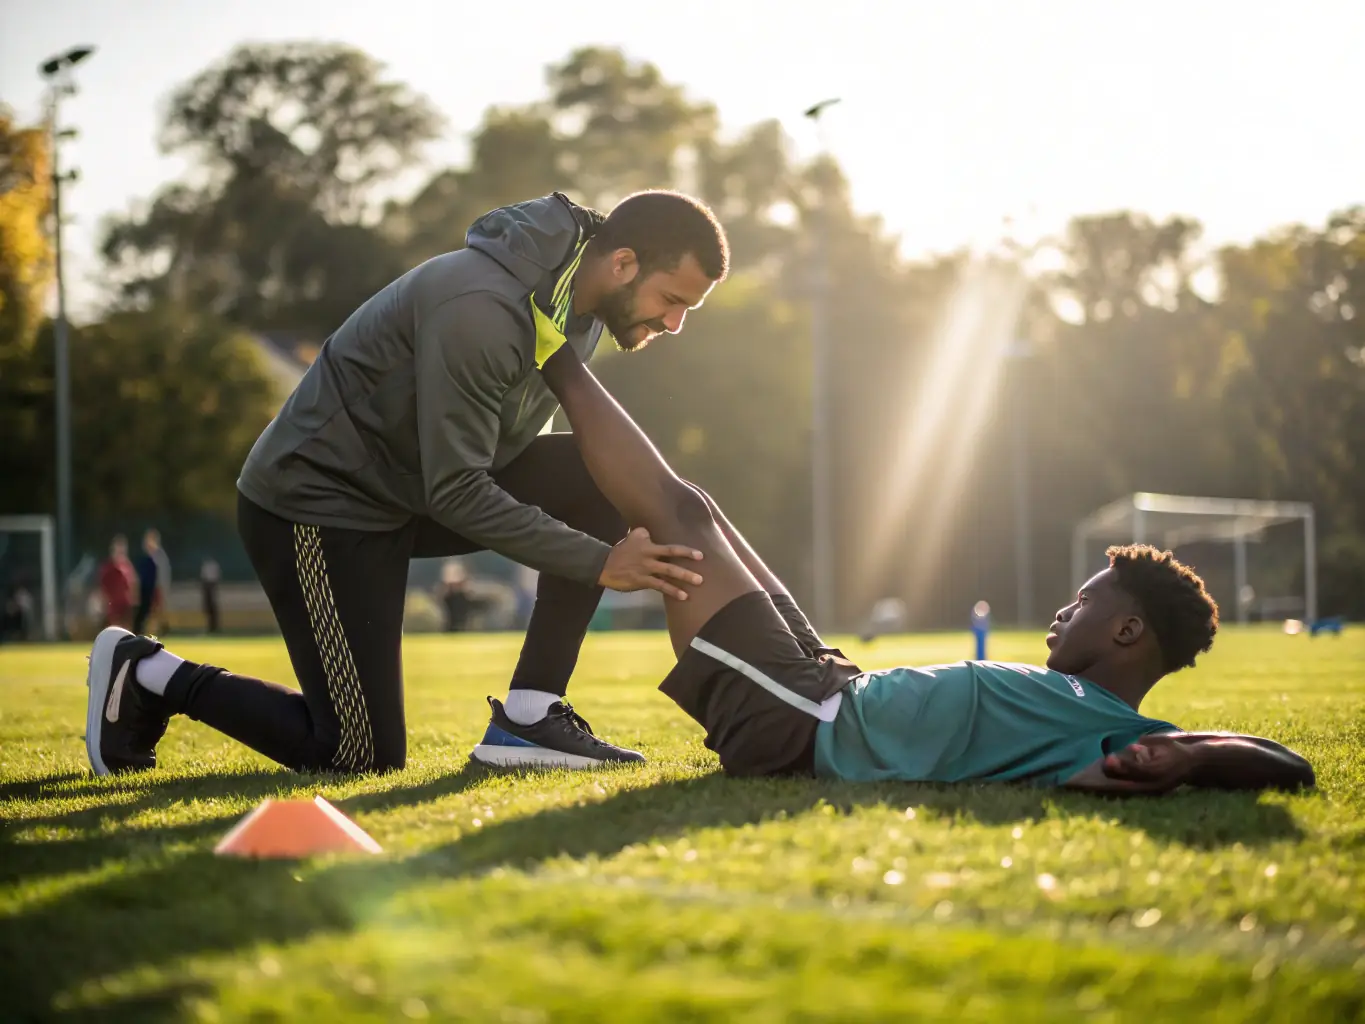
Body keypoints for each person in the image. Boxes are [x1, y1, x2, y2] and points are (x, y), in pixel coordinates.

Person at [82, 190, 728, 777]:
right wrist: (599, 562)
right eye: (672, 301)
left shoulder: (577, 307)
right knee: (356, 754)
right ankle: (150, 673)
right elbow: (456, 490)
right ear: (622, 264)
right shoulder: (481, 306)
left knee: (603, 472)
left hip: (407, 492)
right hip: (317, 505)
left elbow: (498, 450)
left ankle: (530, 719)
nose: (674, 324)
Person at [475, 343, 1314, 793]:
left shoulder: (1109, 733)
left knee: (677, 521)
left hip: (799, 720)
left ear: (1128, 631)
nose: (1064, 611)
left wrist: (1190, 759)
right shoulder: (1084, 709)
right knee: (701, 503)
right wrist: (1192, 756)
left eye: (1084, 602)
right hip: (827, 680)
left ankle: (551, 345)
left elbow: (1285, 763)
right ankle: (557, 352)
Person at [132, 529, 170, 635]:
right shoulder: (145, 558)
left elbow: (162, 577)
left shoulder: (158, 558)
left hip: (154, 590)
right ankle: (140, 632)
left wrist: (161, 591)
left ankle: (161, 631)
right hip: (145, 591)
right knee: (143, 613)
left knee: (153, 613)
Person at [97, 537, 137, 632]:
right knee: (115, 630)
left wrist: (134, 599)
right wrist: (104, 603)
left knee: (127, 630)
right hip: (113, 607)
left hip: (126, 605)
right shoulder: (108, 568)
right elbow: (103, 587)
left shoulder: (127, 566)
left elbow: (132, 584)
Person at [200, 558, 221, 635]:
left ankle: (213, 626)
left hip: (211, 585)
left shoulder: (211, 565)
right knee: (208, 608)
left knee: (212, 608)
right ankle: (211, 626)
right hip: (208, 585)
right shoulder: (207, 565)